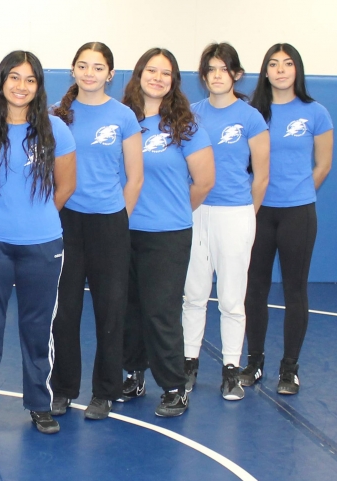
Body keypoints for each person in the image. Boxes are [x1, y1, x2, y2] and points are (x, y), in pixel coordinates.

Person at [0, 51, 76, 435]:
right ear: (1, 82)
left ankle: (39, 404)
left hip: (42, 245)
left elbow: (66, 186)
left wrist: (36, 220)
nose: (21, 86)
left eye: (30, 80)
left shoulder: (56, 130)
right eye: (14, 77)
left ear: (38, 87)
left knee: (37, 329)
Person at [49, 42, 143, 419]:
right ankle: (63, 390)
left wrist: (119, 218)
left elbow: (134, 177)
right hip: (67, 222)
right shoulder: (57, 115)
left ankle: (105, 391)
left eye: (98, 67)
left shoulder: (123, 117)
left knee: (110, 309)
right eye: (83, 66)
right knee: (65, 311)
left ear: (110, 74)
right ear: (73, 70)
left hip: (109, 224)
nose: (90, 73)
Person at [120, 48, 214, 417]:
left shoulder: (186, 126)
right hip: (124, 231)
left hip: (167, 234)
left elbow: (204, 182)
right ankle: (134, 374)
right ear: (139, 74)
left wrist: (172, 213)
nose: (158, 78)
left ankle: (174, 386)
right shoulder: (122, 121)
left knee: (160, 311)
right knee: (129, 309)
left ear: (174, 82)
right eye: (151, 70)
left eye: (166, 73)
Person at [243, 43, 333, 395]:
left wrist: (299, 193)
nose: (281, 69)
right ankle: (255, 361)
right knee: (255, 289)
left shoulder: (315, 112)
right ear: (265, 72)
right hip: (258, 212)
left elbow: (324, 163)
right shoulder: (252, 114)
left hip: (298, 214)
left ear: (298, 70)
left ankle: (289, 369)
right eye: (274, 64)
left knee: (295, 290)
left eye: (288, 63)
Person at [183, 43, 270, 401]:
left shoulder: (250, 118)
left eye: (224, 68)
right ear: (203, 76)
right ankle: (188, 365)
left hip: (235, 214)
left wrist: (246, 216)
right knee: (193, 295)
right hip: (194, 211)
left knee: (233, 298)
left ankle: (231, 370)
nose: (217, 75)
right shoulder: (189, 114)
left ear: (235, 74)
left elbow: (261, 177)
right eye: (211, 69)